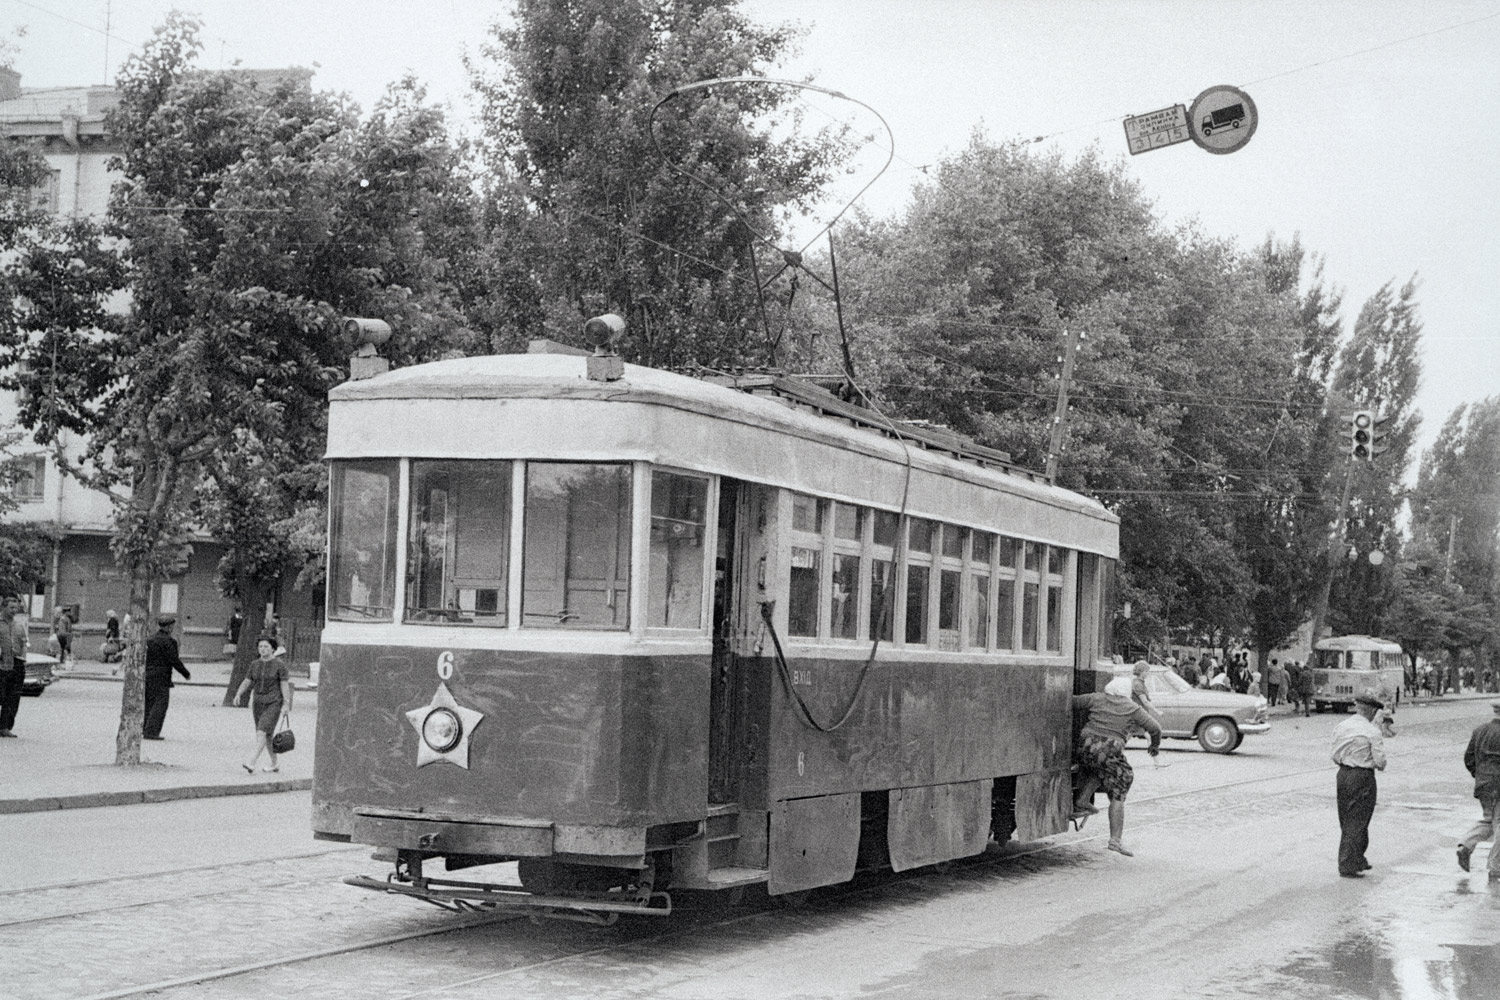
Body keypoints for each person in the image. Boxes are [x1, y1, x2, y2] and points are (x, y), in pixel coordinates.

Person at [1072, 676, 1162, 857]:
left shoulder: (1096, 698)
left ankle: (1083, 800)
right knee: (1123, 780)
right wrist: (1154, 746)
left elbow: (1072, 701)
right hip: (1109, 749)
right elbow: (1155, 728)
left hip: (1085, 746)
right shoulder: (1132, 708)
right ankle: (1115, 841)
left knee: (1100, 769)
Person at [1331, 692, 1387, 878]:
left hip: (1343, 774)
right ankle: (1348, 864)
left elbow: (1334, 754)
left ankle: (1357, 858)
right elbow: (1380, 762)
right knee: (1359, 820)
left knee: (1346, 818)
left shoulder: (1341, 726)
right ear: (1371, 711)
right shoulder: (1372, 732)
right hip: (1362, 777)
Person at [234, 637, 293, 773]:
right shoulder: (255, 664)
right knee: (267, 735)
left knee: (261, 732)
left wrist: (286, 703)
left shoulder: (279, 665)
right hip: (258, 703)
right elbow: (247, 681)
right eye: (260, 646)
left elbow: (284, 685)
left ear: (273, 648)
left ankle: (251, 762)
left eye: (266, 647)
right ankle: (274, 763)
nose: (263, 649)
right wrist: (238, 694)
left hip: (274, 702)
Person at [1456, 701, 1500, 878]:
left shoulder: (1479, 730)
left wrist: (1480, 775)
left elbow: (1468, 758)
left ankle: (1465, 846)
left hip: (1484, 785)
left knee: (1490, 820)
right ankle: (1495, 865)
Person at [143, 615, 191, 740]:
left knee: (149, 703)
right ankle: (152, 732)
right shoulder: (170, 642)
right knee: (160, 705)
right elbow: (174, 660)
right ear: (169, 627)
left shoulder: (150, 640)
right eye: (172, 626)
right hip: (162, 677)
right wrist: (185, 673)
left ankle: (144, 728)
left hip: (147, 675)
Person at [0, 595, 22, 737]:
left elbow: (24, 643)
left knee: (12, 697)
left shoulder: (18, 625)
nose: (14, 610)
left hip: (15, 664)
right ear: (3, 607)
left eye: (16, 608)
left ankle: (4, 726)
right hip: (1, 664)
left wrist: (21, 653)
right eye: (11, 607)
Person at [1129, 660, 1162, 725]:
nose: (1148, 673)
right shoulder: (1138, 684)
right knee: (1145, 730)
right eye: (1146, 671)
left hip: (1140, 712)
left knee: (1144, 732)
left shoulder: (1139, 682)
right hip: (1139, 713)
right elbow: (1145, 701)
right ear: (1141, 672)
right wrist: (1156, 711)